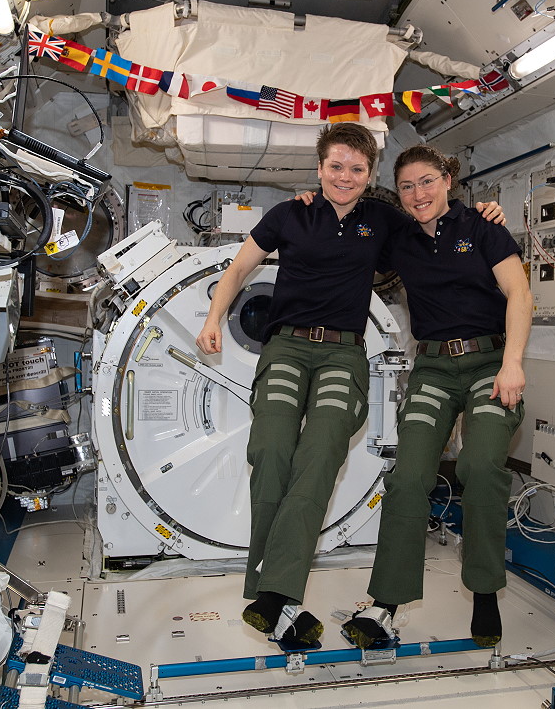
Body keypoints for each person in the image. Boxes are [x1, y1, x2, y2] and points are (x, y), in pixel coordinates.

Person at [195, 123, 505, 650]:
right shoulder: (289, 214)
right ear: (319, 169)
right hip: (286, 348)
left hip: (343, 351)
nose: (344, 177)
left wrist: (485, 213)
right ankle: (278, 590)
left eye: (356, 169)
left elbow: (439, 228)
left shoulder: (384, 221)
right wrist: (212, 316)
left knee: (318, 455)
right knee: (269, 450)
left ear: (369, 176)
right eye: (335, 167)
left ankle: (274, 594)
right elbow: (240, 266)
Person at [340, 144, 532, 651]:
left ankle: (485, 591)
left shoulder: (483, 228)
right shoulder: (400, 239)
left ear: (448, 179)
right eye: (407, 186)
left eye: (427, 181)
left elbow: (520, 294)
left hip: (490, 364)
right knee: (409, 477)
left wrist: (513, 362)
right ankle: (387, 601)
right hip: (433, 369)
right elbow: (347, 225)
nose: (418, 193)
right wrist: (313, 202)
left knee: (481, 466)